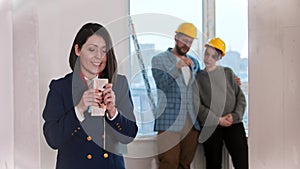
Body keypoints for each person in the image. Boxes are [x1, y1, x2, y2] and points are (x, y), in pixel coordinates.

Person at [42, 22, 138, 169]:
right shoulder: (60, 87)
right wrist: (79, 109)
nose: (99, 57)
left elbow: (129, 136)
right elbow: (52, 140)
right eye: (92, 49)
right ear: (78, 50)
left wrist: (113, 112)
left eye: (104, 51)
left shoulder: (119, 84)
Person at [151, 22, 201, 169]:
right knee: (169, 164)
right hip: (169, 121)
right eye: (184, 40)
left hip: (191, 121)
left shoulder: (195, 62)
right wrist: (176, 68)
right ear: (175, 37)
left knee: (185, 164)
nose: (187, 45)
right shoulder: (159, 59)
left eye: (190, 42)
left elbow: (201, 85)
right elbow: (161, 84)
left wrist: (230, 79)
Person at [196, 37, 248, 169]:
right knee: (213, 164)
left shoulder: (228, 73)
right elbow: (197, 105)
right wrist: (217, 120)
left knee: (241, 161)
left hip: (234, 123)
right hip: (211, 125)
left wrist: (234, 116)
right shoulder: (198, 78)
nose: (208, 58)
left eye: (213, 56)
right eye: (207, 54)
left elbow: (240, 98)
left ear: (219, 58)